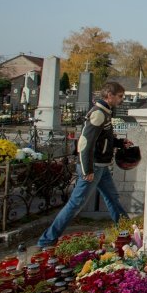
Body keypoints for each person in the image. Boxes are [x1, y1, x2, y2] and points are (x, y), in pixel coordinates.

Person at [37, 82, 131, 248]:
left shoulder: (105, 112)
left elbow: (102, 139)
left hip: (100, 165)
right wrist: (87, 169)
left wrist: (119, 142)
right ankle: (47, 240)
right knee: (76, 204)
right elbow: (85, 143)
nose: (121, 99)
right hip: (93, 166)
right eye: (120, 96)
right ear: (109, 95)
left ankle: (127, 232)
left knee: (113, 199)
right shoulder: (99, 114)